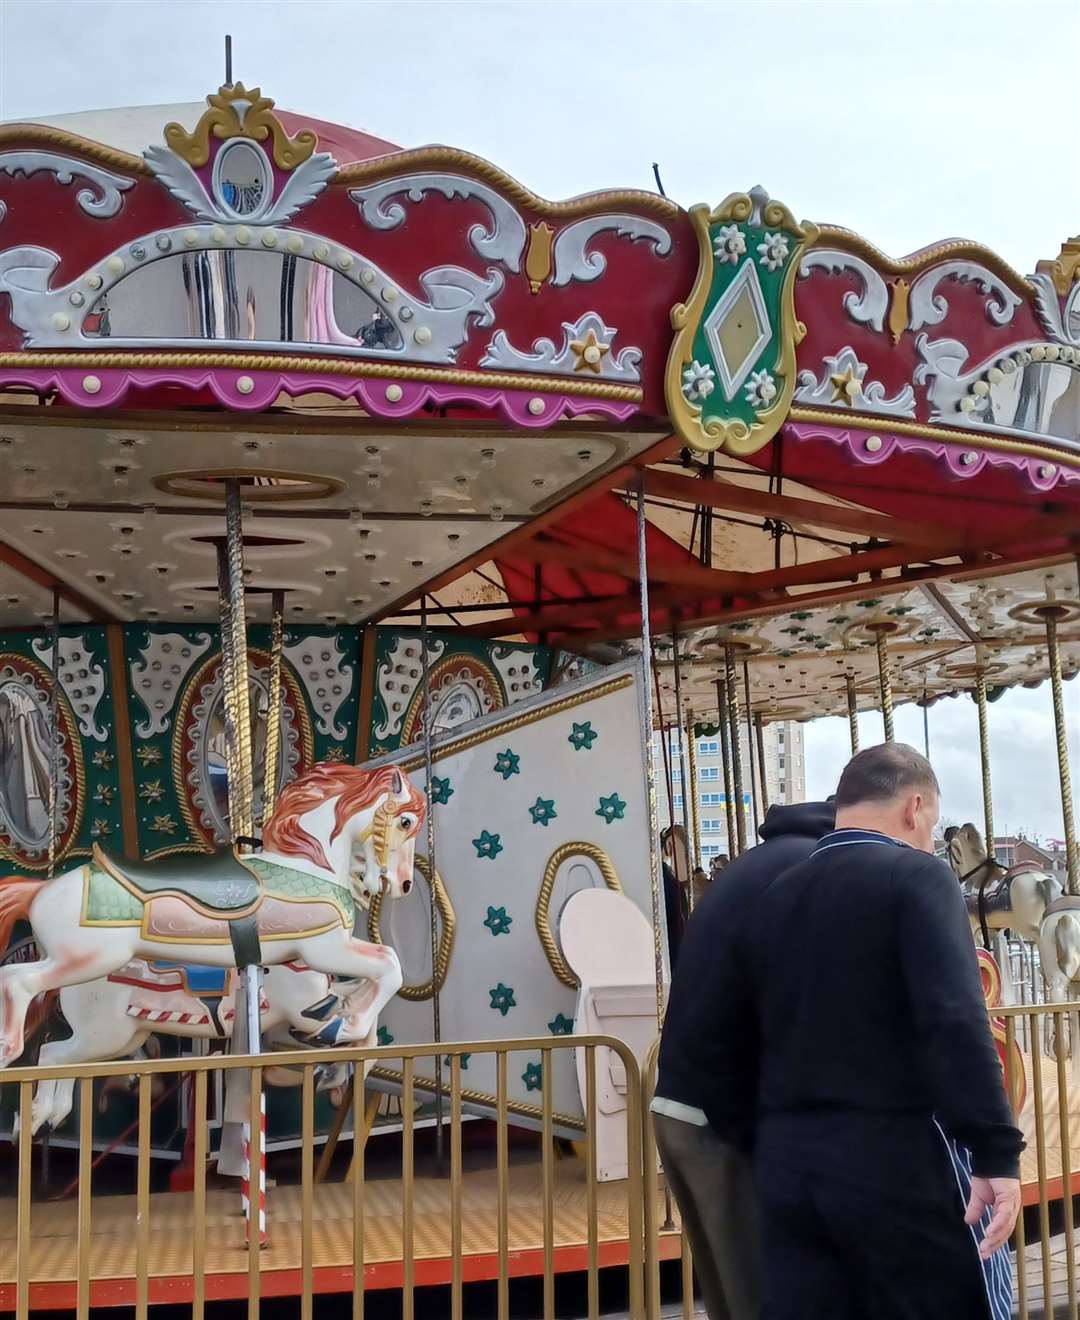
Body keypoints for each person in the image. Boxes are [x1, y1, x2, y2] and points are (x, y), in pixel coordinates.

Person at [726, 744, 1023, 1320]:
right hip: (896, 1160)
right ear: (914, 807)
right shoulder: (918, 878)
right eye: (932, 823)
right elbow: (955, 1022)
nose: (931, 837)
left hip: (790, 1163)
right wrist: (996, 1151)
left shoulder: (774, 896)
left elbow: (747, 1034)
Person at [652, 798, 837, 1320]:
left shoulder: (756, 864)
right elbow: (794, 1009)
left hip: (681, 1103)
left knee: (730, 1296)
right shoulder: (808, 871)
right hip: (721, 1120)